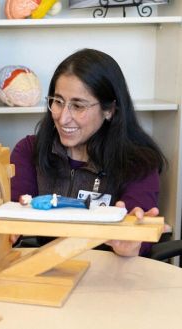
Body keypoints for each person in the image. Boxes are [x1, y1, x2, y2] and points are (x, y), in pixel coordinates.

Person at [10, 48, 167, 257]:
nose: (63, 117)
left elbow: (137, 234)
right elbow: (12, 218)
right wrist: (7, 232)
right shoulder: (29, 150)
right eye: (58, 101)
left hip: (110, 278)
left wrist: (132, 241)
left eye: (78, 106)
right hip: (50, 274)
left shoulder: (139, 162)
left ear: (109, 110)